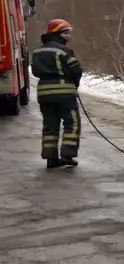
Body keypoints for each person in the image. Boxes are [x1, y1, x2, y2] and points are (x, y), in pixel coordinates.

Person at [31, 19, 83, 168]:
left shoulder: (37, 52)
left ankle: (50, 158)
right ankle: (67, 154)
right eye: (65, 33)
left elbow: (34, 71)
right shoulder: (63, 51)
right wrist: (74, 84)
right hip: (65, 93)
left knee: (50, 126)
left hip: (44, 94)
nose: (68, 36)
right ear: (57, 33)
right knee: (71, 123)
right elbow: (76, 70)